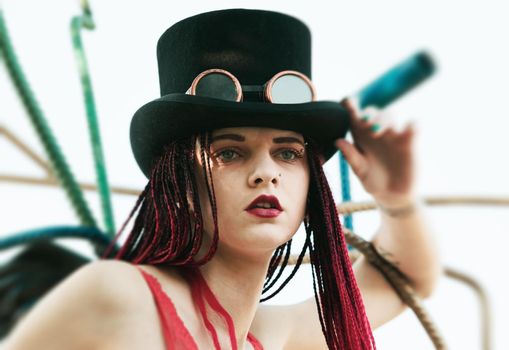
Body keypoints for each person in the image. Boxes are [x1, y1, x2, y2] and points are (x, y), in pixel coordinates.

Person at [2, 8, 441, 350]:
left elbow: (408, 279)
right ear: (179, 182)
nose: (266, 172)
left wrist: (394, 196)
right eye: (229, 153)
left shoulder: (270, 335)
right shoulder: (117, 295)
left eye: (287, 153)